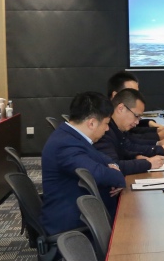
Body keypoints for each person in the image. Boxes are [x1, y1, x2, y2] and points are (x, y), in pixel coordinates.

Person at [40, 91, 127, 235]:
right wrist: (117, 176)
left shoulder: (71, 136)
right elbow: (97, 173)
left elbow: (102, 158)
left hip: (85, 214)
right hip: (74, 226)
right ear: (92, 123)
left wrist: (114, 167)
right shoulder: (64, 144)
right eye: (106, 124)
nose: (107, 129)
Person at [94, 89, 164, 175]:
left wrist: (135, 156)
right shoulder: (103, 131)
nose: (137, 122)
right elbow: (113, 166)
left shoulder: (117, 128)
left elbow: (124, 150)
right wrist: (148, 163)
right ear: (121, 108)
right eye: (136, 116)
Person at [106, 71, 164, 142]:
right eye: (131, 93)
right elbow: (130, 140)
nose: (136, 97)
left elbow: (134, 130)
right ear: (115, 95)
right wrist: (157, 138)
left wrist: (154, 127)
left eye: (137, 93)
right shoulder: (105, 122)